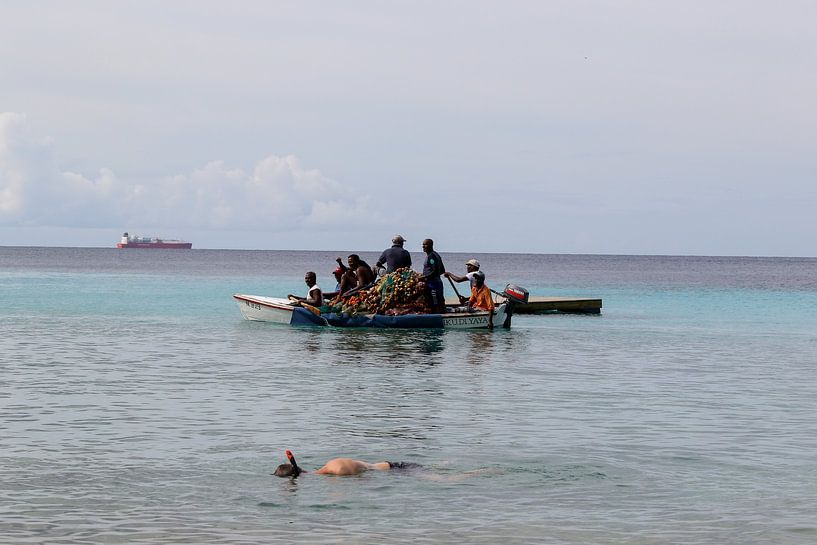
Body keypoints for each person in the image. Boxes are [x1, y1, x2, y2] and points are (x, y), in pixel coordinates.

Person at [273, 450, 420, 477]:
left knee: (437, 477)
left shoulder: (337, 470)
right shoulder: (331, 466)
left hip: (398, 471)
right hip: (394, 467)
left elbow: (369, 480)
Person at [421, 238, 446, 314]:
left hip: (433, 284)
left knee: (435, 303)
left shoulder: (431, 256)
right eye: (423, 245)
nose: (423, 246)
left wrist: (424, 277)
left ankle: (438, 318)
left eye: (425, 244)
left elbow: (434, 271)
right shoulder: (436, 255)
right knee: (439, 301)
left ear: (431, 245)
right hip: (437, 282)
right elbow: (442, 270)